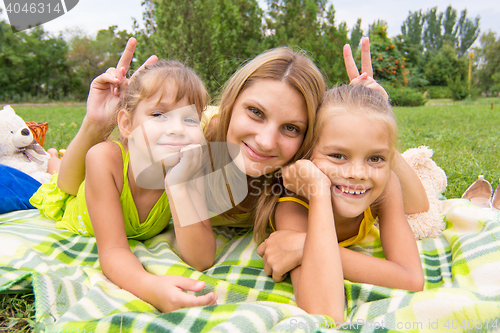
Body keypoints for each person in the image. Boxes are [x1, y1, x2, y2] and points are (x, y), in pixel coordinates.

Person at [33, 36, 428, 313]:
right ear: (231, 104)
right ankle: (49, 155)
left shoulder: (290, 176)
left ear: (307, 138)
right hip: (90, 187)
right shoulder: (194, 141)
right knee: (56, 176)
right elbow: (75, 186)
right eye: (255, 112)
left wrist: (371, 120)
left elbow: (413, 202)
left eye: (291, 128)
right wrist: (93, 124)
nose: (266, 139)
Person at [30, 59, 218, 313]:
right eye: (158, 114)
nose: (177, 129)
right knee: (56, 176)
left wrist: (179, 186)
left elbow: (202, 259)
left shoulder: (187, 168)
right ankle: (52, 157)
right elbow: (113, 251)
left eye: (190, 119)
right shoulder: (105, 159)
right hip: (78, 206)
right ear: (127, 124)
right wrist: (149, 286)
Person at [258, 84, 425, 323]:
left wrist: (305, 246)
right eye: (337, 156)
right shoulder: (293, 206)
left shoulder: (386, 184)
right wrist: (318, 192)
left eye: (375, 158)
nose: (357, 173)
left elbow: (412, 279)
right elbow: (326, 311)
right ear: (307, 154)